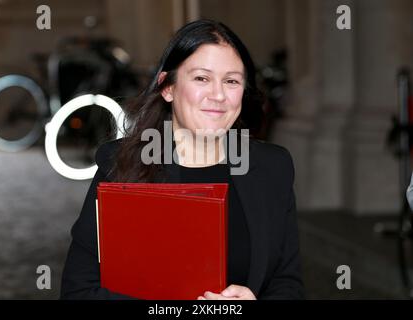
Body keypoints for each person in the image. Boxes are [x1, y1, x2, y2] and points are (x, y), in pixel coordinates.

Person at [60, 19, 304, 300]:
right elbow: (78, 292)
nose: (218, 95)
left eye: (232, 81)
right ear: (167, 87)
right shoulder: (122, 164)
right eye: (202, 78)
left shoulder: (273, 167)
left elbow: (288, 284)